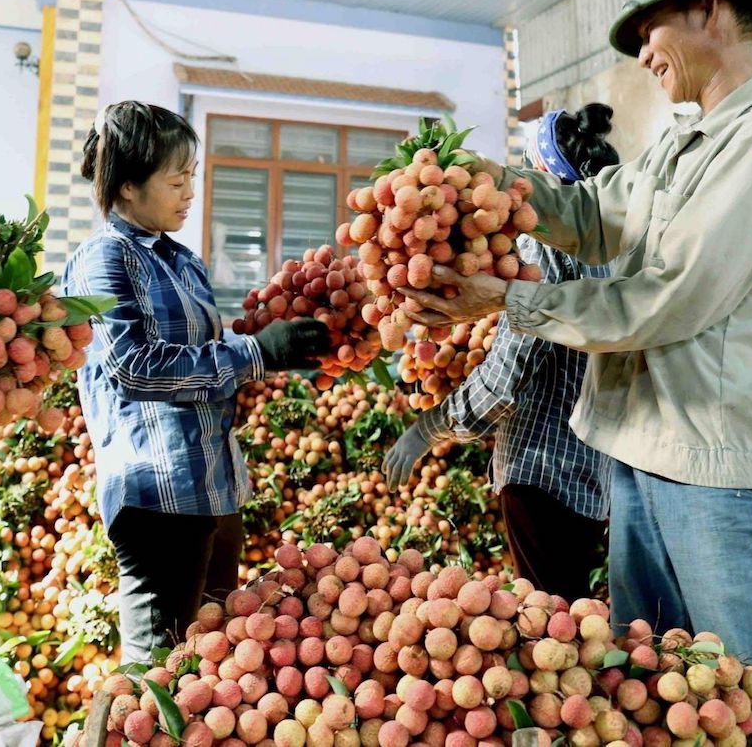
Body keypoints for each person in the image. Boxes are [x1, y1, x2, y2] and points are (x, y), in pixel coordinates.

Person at [400, 0, 752, 744]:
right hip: (638, 454)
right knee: (657, 685)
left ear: (710, 9)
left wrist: (511, 298)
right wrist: (497, 187)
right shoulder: (685, 140)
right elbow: (600, 216)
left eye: (650, 28)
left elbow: (669, 297)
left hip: (718, 469)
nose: (641, 55)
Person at [63, 101, 330, 664]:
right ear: (128, 186)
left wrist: (272, 341)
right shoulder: (102, 259)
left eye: (193, 177)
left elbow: (208, 362)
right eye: (175, 179)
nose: (189, 192)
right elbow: (136, 366)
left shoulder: (184, 261)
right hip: (156, 491)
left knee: (208, 664)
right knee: (156, 672)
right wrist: (256, 352)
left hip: (213, 485)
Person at [383, 104, 621, 602]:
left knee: (550, 631)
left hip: (543, 477)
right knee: (568, 619)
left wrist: (429, 428)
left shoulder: (545, 250)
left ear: (538, 181)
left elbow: (511, 369)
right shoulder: (607, 254)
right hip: (589, 476)